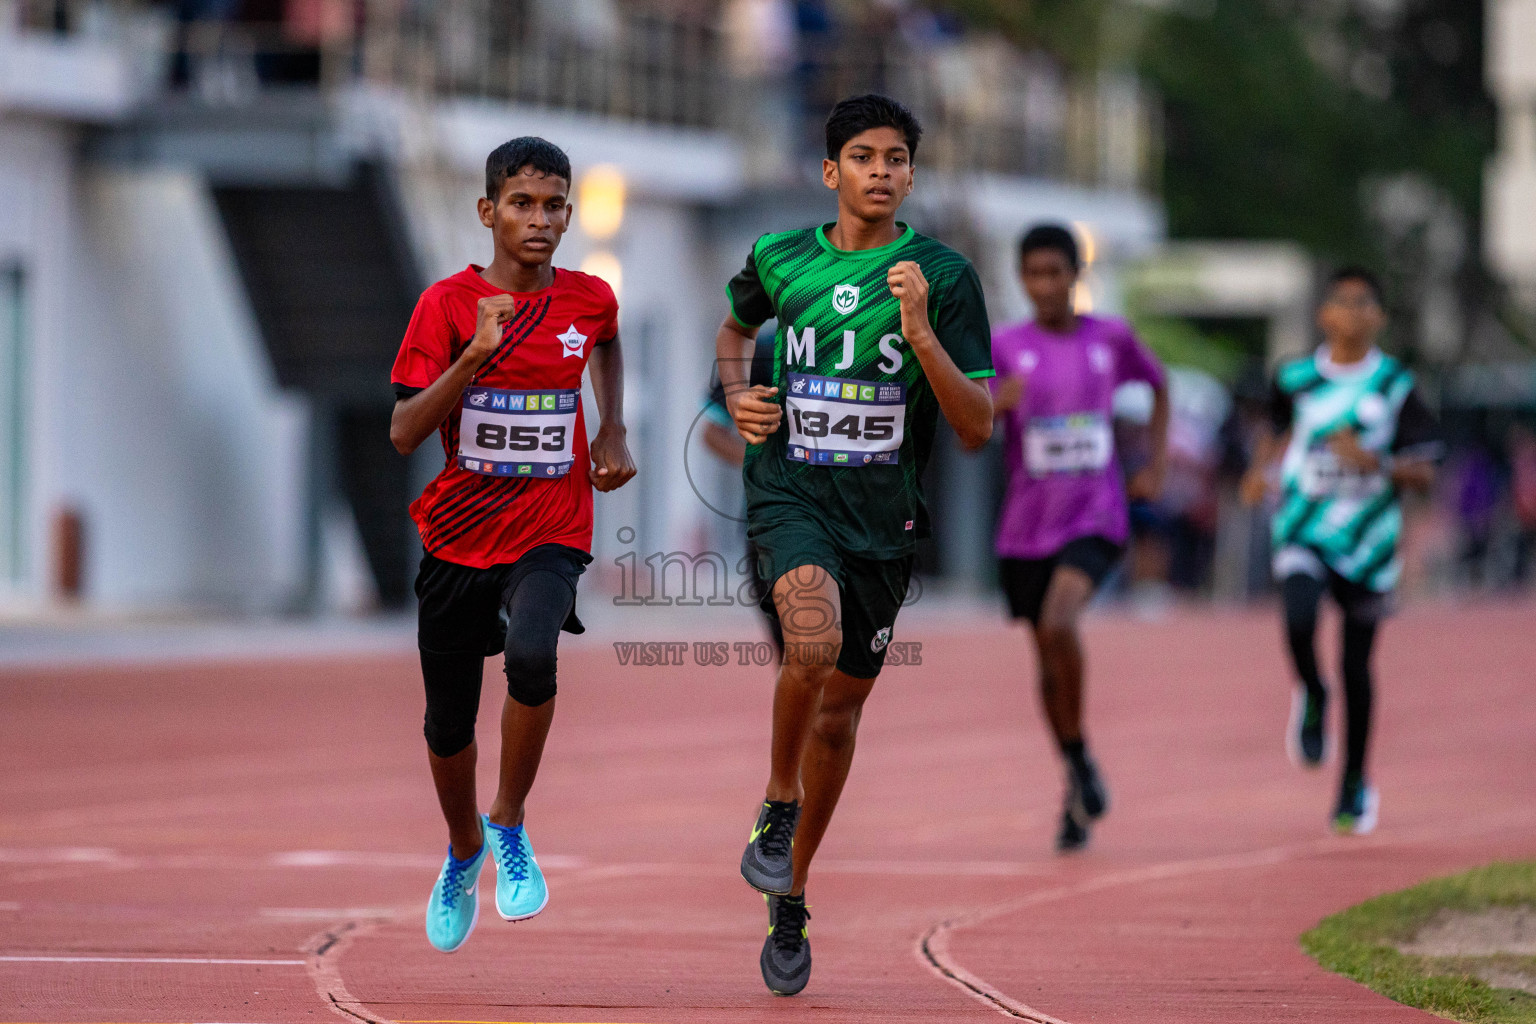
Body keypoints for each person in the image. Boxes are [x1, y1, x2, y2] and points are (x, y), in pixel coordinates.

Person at [716, 94, 994, 996]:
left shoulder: (945, 278)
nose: (882, 170)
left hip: (883, 520)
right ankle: (777, 803)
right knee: (811, 638)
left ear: (913, 174)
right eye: (864, 156)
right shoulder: (779, 256)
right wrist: (736, 396)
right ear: (831, 170)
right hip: (789, 493)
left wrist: (918, 334)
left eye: (898, 158)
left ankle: (789, 894)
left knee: (840, 714)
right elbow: (735, 330)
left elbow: (979, 426)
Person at [388, 136, 636, 953]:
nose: (541, 220)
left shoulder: (588, 299)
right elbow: (402, 432)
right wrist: (472, 359)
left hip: (551, 528)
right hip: (459, 535)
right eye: (523, 205)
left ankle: (510, 821)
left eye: (555, 205)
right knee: (446, 724)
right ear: (489, 212)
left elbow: (606, 338)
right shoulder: (446, 306)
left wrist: (612, 426)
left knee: (534, 657)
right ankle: (463, 849)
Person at [1240, 266, 1440, 836]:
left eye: (1364, 304)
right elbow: (1274, 432)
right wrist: (1260, 470)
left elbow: (1425, 471)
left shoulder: (1397, 385)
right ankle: (1311, 690)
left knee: (1358, 664)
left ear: (1378, 317)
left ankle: (1353, 780)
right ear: (1324, 314)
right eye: (1342, 303)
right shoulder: (1296, 377)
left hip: (1370, 545)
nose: (1352, 313)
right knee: (1298, 619)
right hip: (1304, 526)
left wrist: (1374, 462)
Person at [990, 224, 1169, 853]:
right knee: (1046, 659)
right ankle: (1076, 769)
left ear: (1075, 276)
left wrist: (1155, 463)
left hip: (1096, 512)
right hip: (1026, 527)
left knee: (1061, 623)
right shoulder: (1006, 347)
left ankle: (1080, 764)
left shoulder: (1111, 338)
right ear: (1021, 279)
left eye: (1054, 272)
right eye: (1032, 273)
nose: (1043, 285)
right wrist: (995, 407)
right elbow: (969, 424)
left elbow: (1159, 383)